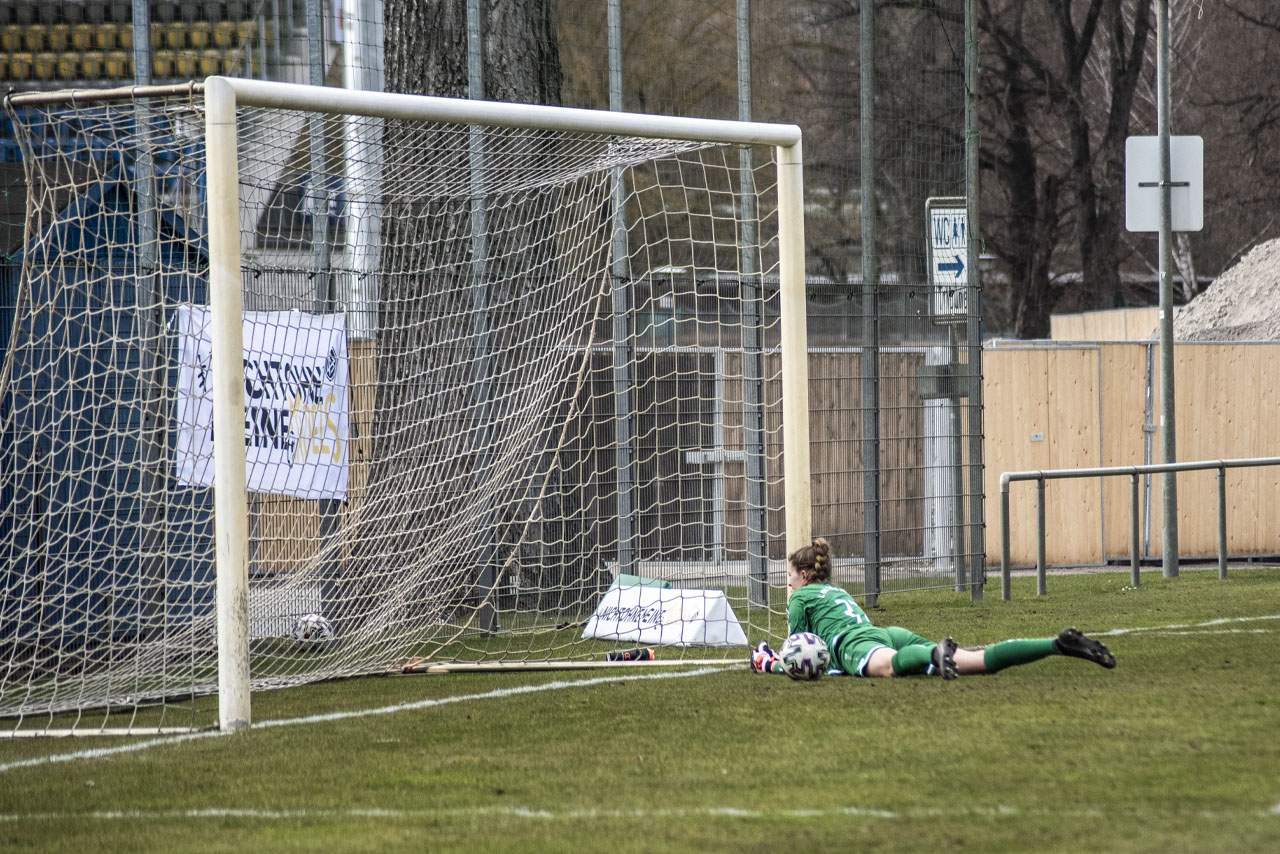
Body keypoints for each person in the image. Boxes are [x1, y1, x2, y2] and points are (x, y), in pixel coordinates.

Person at [751, 538, 1116, 679]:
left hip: (857, 644)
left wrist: (768, 662)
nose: (787, 581)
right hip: (885, 632)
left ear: (802, 574)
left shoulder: (800, 597)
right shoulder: (835, 590)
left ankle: (933, 652)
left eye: (788, 575)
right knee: (969, 661)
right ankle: (1055, 644)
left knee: (892, 668)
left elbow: (796, 653)